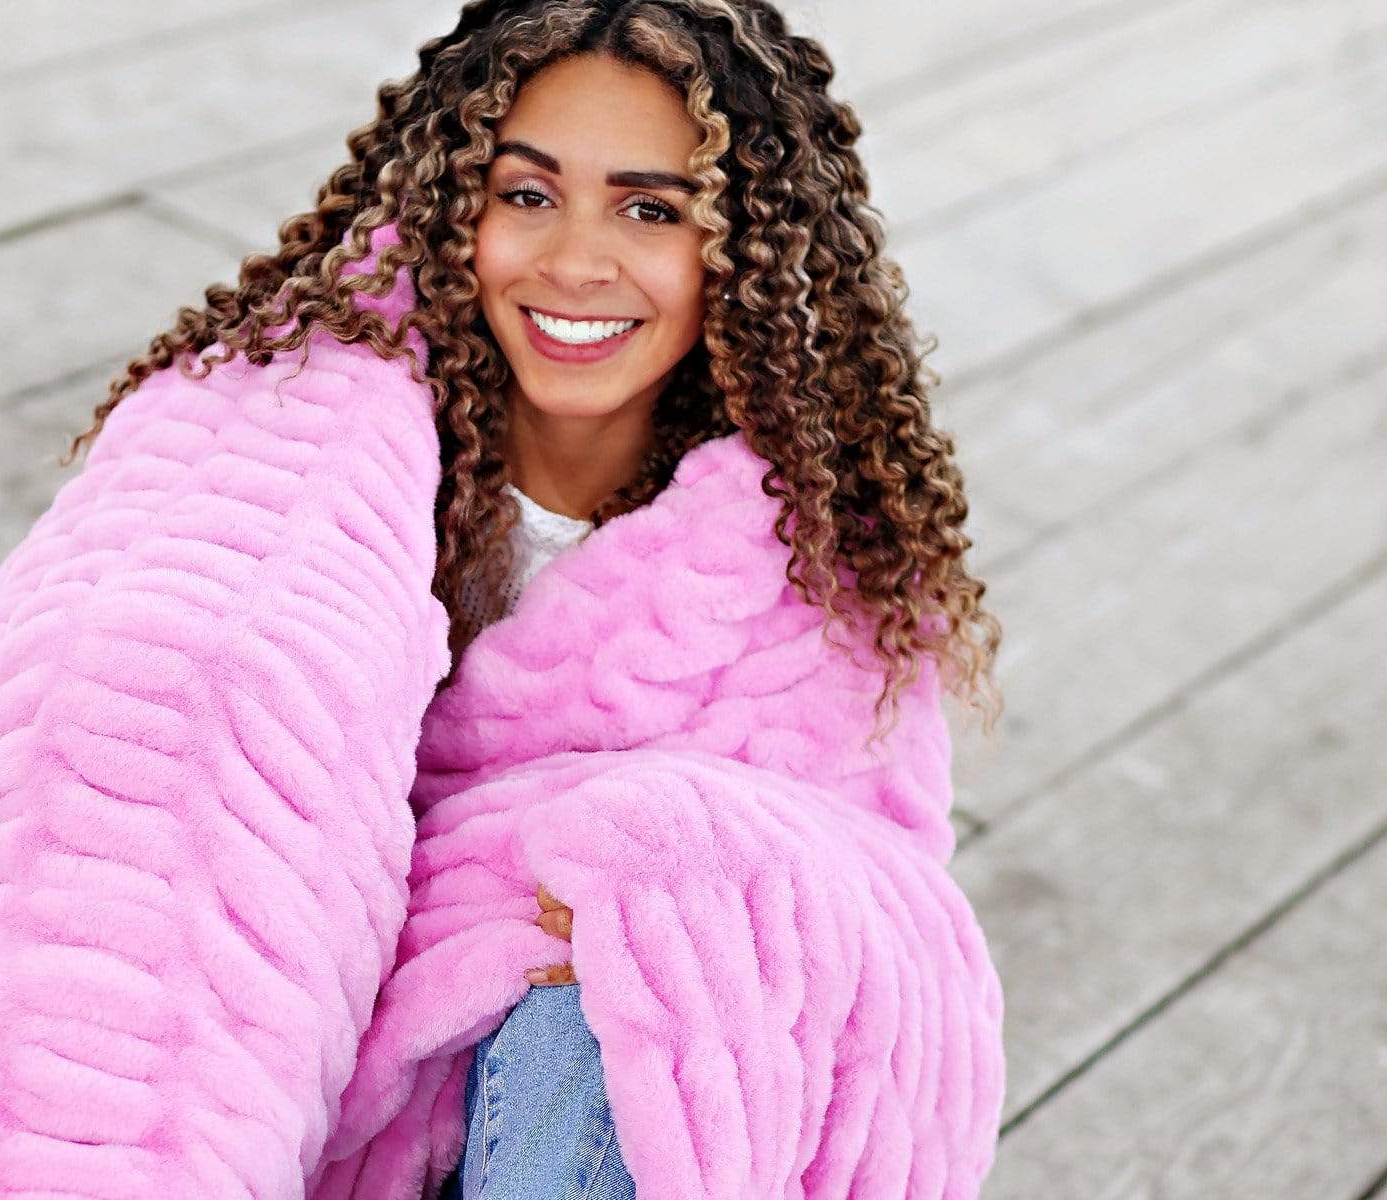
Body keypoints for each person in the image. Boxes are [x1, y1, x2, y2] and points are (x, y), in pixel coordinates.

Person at [59, 3, 1005, 1195]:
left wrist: (664, 910)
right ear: (457, 205)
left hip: (552, 1113)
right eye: (528, 193)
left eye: (650, 210)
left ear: (744, 248)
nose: (575, 262)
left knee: (637, 978)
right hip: (271, 1066)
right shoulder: (288, 459)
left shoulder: (816, 566)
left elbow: (871, 914)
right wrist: (503, 896)